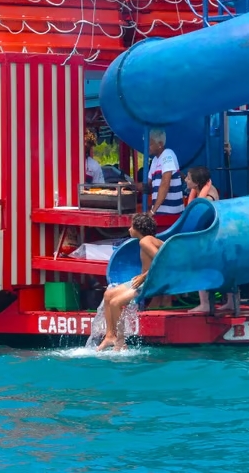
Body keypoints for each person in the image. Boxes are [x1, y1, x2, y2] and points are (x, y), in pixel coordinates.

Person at [97, 213, 163, 351]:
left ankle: (121, 342)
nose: (129, 229)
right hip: (145, 280)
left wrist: (143, 276)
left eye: (131, 226)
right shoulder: (148, 240)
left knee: (116, 302)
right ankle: (110, 336)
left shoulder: (145, 241)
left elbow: (161, 260)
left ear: (139, 228)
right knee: (108, 295)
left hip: (150, 282)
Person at [184, 167, 233, 314]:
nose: (185, 180)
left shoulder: (208, 196)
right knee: (222, 269)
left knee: (202, 267)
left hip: (212, 239)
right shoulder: (202, 191)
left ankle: (205, 303)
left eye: (188, 178)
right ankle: (231, 301)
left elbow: (196, 210)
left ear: (197, 182)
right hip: (210, 237)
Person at [146, 129, 183, 218]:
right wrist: (129, 185)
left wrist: (152, 211)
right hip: (160, 212)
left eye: (150, 144)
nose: (147, 147)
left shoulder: (168, 155)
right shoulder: (154, 160)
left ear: (160, 144)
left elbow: (165, 184)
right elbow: (147, 184)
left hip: (171, 214)